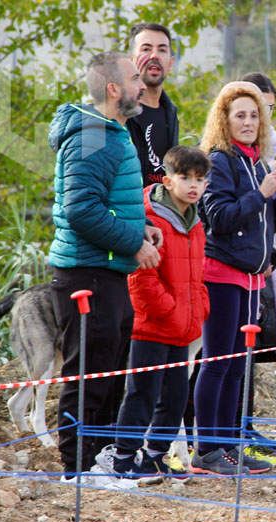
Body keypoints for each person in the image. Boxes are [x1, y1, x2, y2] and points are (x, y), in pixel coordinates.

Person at [48, 51, 161, 481]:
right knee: (88, 376)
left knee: (110, 374)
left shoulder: (113, 131)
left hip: (109, 271)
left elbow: (107, 200)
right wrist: (133, 242)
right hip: (86, 273)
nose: (141, 85)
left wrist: (143, 226)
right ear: (113, 89)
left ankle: (99, 463)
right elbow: (81, 210)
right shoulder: (91, 134)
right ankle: (76, 469)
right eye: (134, 78)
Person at [192, 81, 276, 475]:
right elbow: (217, 217)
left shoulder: (254, 163)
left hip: (252, 277)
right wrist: (262, 193)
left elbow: (265, 222)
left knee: (239, 366)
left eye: (255, 115)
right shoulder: (218, 161)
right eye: (240, 115)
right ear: (224, 119)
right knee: (217, 363)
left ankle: (230, 446)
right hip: (221, 273)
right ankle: (206, 449)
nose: (249, 121)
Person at [94, 146, 210, 480]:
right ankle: (124, 456)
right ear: (167, 179)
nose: (193, 185)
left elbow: (198, 275)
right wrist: (171, 310)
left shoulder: (196, 223)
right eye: (185, 177)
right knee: (142, 393)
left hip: (182, 326)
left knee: (175, 397)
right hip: (152, 326)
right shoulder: (150, 219)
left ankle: (156, 455)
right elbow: (141, 277)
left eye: (200, 179)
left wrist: (199, 307)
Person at [126, 23, 179, 186]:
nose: (154, 56)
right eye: (146, 49)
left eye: (162, 50)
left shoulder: (171, 114)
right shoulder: (116, 114)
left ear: (170, 63)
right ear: (131, 60)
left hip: (161, 210)